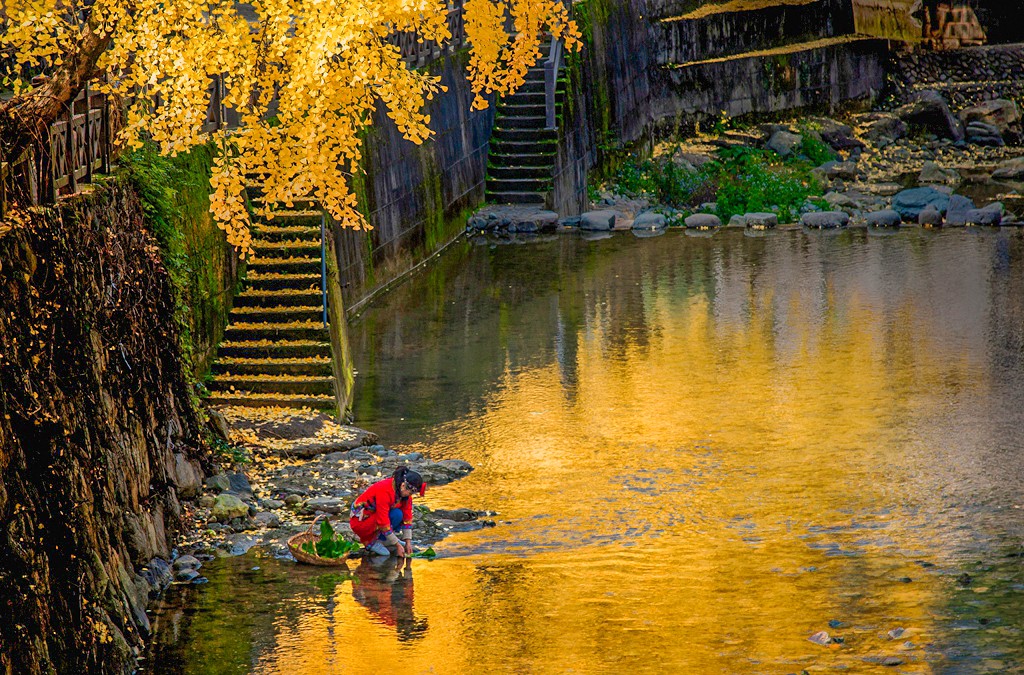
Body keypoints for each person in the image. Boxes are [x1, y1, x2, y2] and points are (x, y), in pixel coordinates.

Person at [349, 466, 425, 557]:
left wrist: (408, 542)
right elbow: (383, 521)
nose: (410, 495)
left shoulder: (404, 494)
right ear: (403, 485)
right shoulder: (384, 490)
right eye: (410, 493)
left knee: (398, 514)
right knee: (390, 516)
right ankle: (370, 541)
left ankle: (384, 539)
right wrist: (397, 544)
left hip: (375, 515)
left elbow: (407, 516)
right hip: (361, 521)